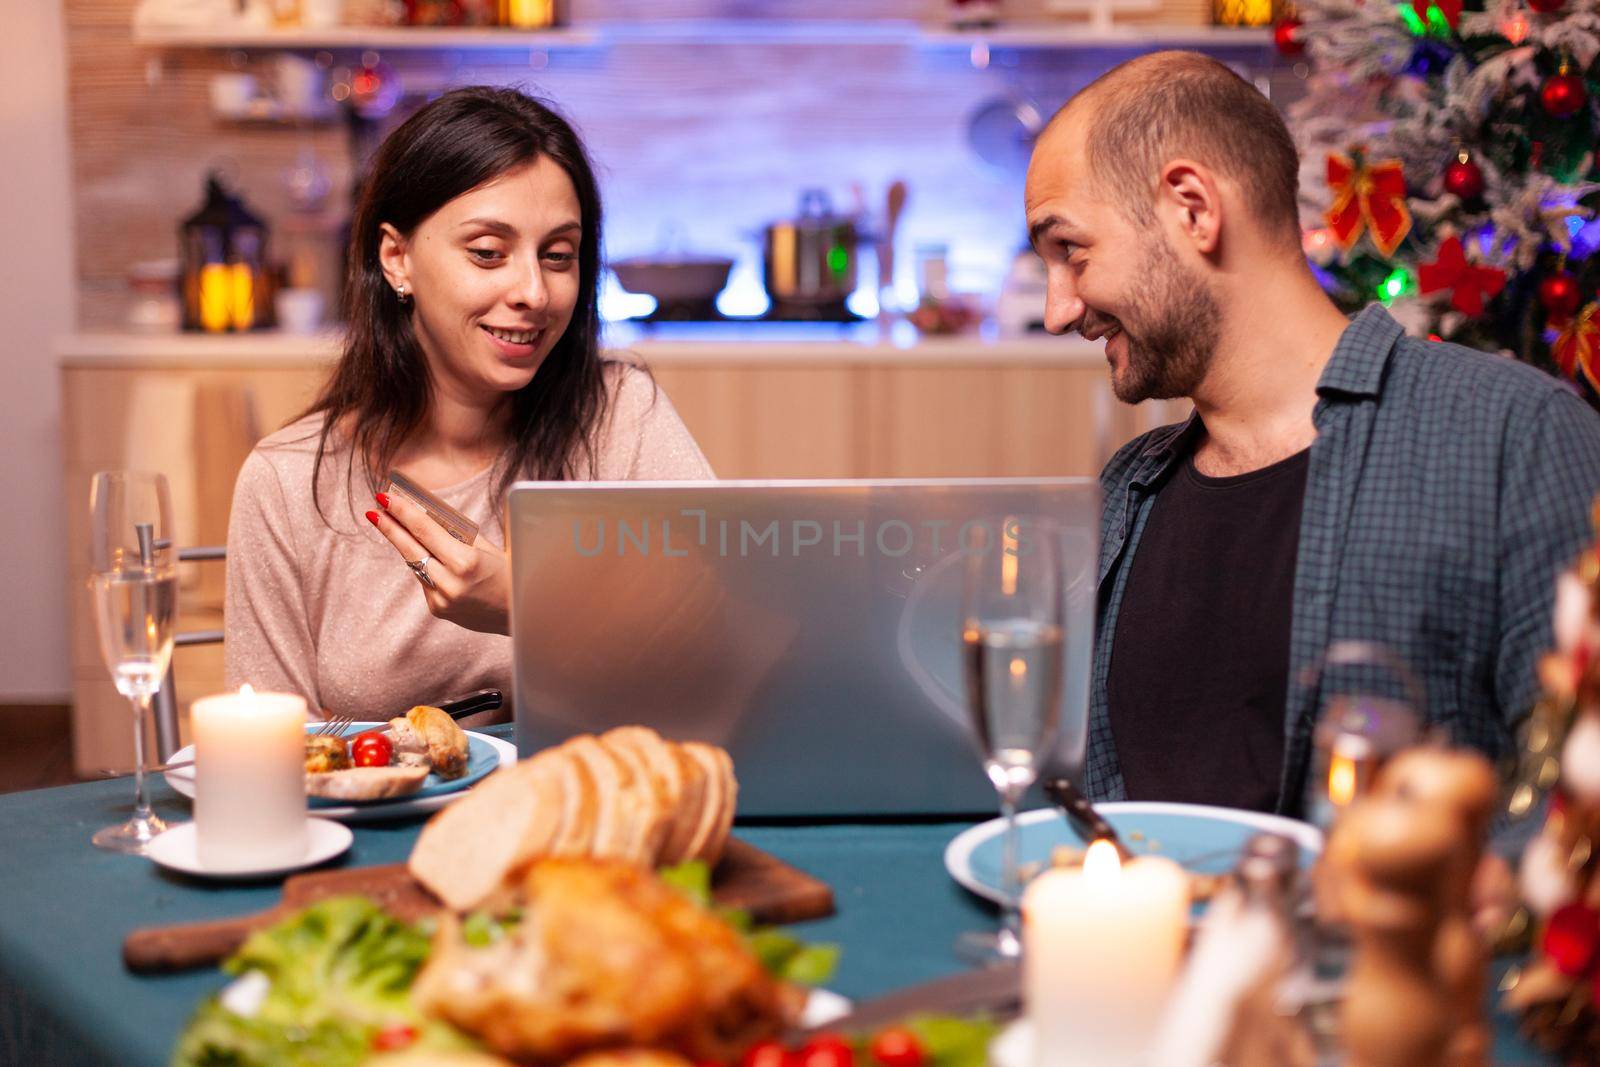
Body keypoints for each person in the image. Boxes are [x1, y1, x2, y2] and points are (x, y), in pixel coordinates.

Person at [1024, 51, 1600, 815]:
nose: (1058, 308)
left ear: (1192, 208)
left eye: (1071, 250)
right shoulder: (1127, 491)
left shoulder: (1515, 436)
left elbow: (1577, 816)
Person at [225, 87, 713, 718]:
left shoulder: (619, 414)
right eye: (488, 253)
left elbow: (719, 649)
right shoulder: (289, 480)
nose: (534, 291)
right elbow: (271, 750)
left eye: (559, 256)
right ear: (397, 259)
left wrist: (528, 606)